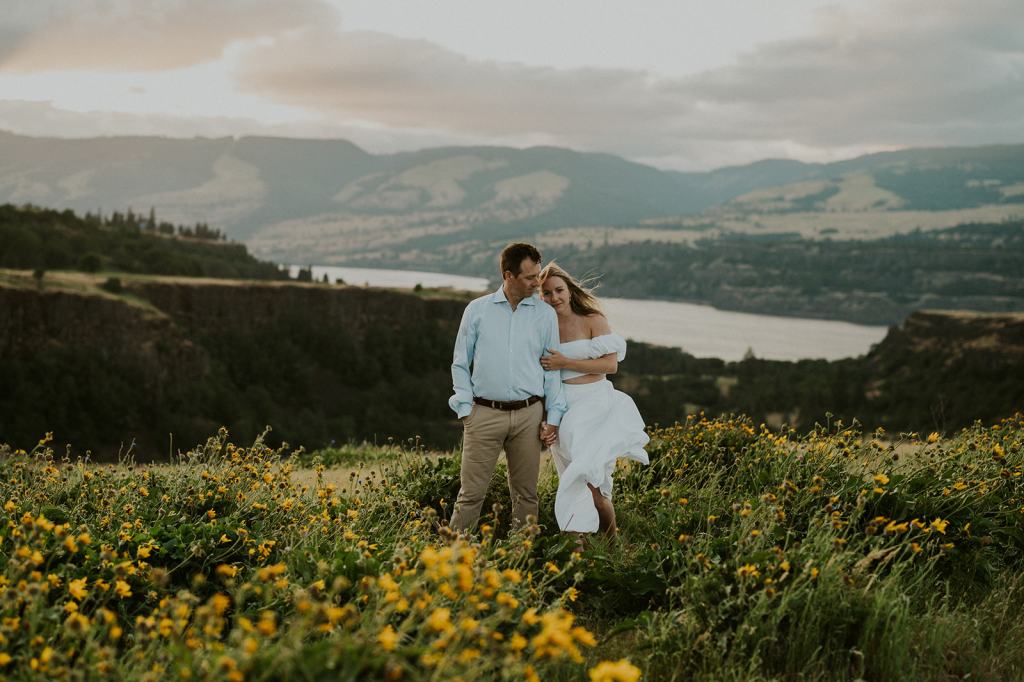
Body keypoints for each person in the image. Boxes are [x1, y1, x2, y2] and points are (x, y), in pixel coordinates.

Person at [448, 243, 567, 532]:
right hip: (483, 414)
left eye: (538, 275)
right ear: (508, 275)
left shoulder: (545, 314)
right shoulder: (476, 310)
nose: (537, 283)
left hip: (529, 415)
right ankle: (452, 560)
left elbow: (552, 370)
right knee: (471, 495)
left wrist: (553, 417)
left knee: (527, 496)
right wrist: (466, 410)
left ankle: (521, 558)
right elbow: (460, 363)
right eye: (529, 277)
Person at [538, 262, 649, 536]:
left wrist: (566, 361)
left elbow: (610, 366)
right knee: (573, 482)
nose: (555, 298)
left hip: (594, 405)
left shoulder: (592, 319)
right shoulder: (542, 326)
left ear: (570, 289)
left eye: (559, 290)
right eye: (547, 293)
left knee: (594, 486)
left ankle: (612, 543)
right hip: (562, 410)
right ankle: (578, 546)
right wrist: (546, 418)